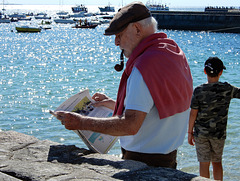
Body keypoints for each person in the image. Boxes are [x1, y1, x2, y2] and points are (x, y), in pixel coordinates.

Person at [54, 1, 193, 169]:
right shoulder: (172, 52)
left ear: (137, 29)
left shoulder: (144, 66)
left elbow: (131, 125)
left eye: (119, 35)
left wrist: (81, 122)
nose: (116, 42)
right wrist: (116, 104)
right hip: (168, 157)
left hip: (143, 161)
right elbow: (157, 108)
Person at [188, 57, 240, 180]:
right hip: (218, 134)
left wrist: (190, 132)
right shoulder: (228, 89)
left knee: (203, 163)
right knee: (217, 162)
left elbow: (193, 113)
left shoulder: (199, 90)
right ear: (221, 72)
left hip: (201, 134)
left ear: (205, 71)